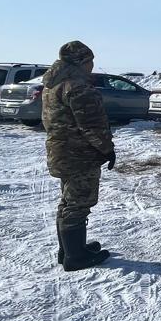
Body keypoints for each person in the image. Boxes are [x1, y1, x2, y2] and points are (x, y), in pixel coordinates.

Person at [41, 40, 113, 272]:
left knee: (69, 200)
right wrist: (106, 149)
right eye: (91, 61)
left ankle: (70, 250)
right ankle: (75, 257)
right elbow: (92, 125)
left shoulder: (54, 85)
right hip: (79, 153)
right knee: (78, 203)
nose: (93, 65)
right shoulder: (77, 87)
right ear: (82, 62)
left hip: (61, 150)